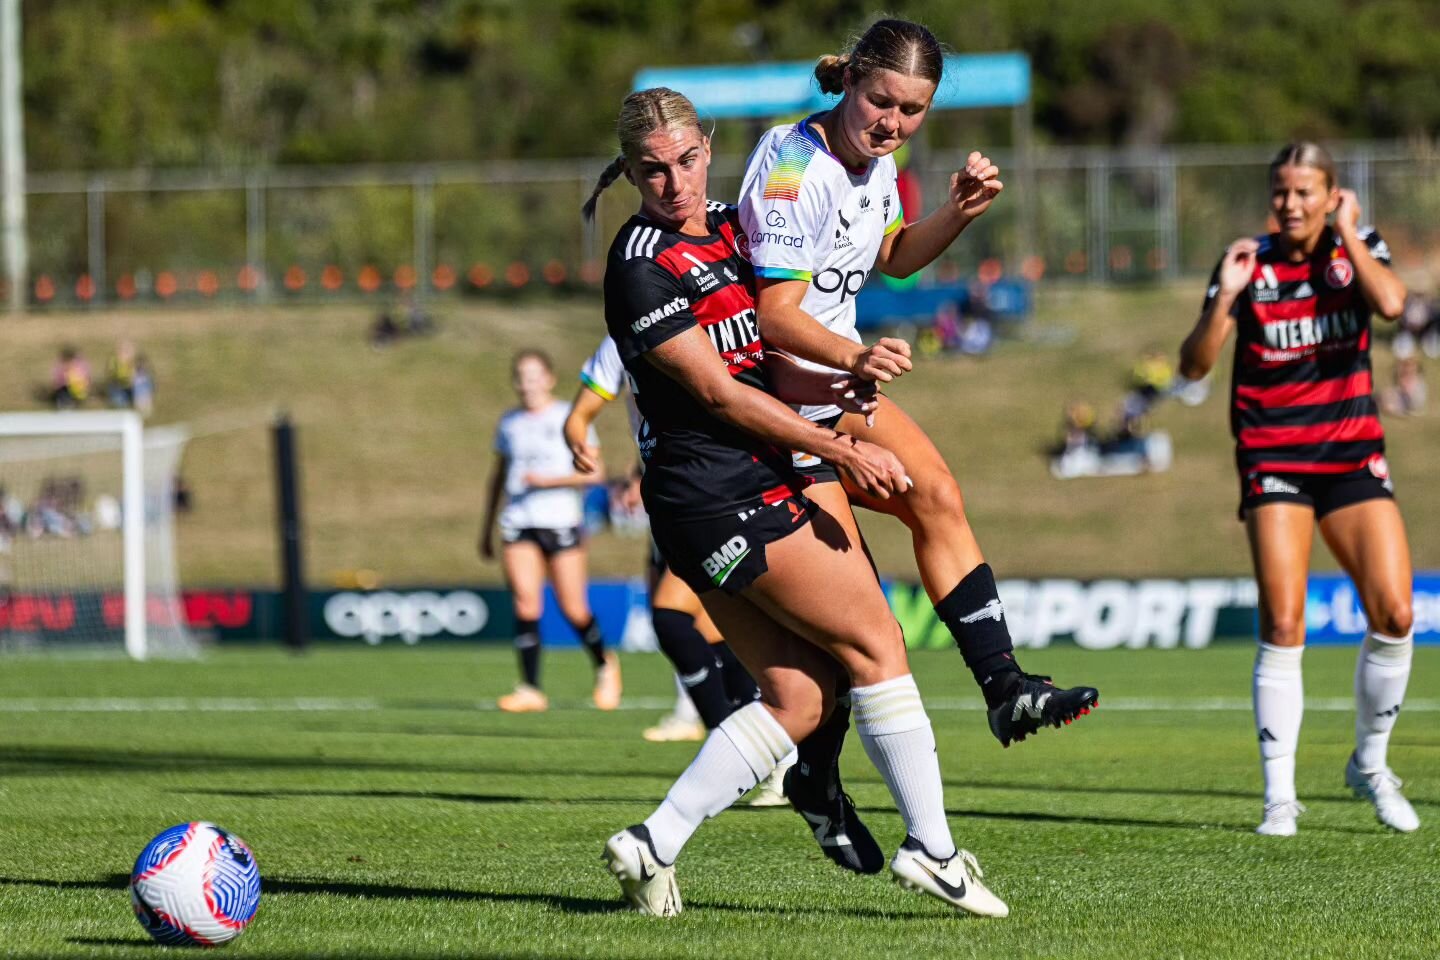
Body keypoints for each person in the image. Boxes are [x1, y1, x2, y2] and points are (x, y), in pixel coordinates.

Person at [585, 86, 1008, 919]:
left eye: (686, 161)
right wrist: (841, 447)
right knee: (878, 643)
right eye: (652, 171)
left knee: (801, 698)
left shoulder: (737, 229)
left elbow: (786, 331)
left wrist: (848, 368)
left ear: (708, 147)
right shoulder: (639, 266)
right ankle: (934, 849)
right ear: (630, 173)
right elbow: (722, 395)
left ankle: (653, 842)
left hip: (728, 488)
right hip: (717, 489)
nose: (673, 183)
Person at [737, 17, 1099, 845]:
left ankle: (1005, 689)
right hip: (782, 408)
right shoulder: (796, 166)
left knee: (936, 492)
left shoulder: (879, 160)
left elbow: (892, 257)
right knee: (854, 630)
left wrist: (958, 215)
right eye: (881, 102)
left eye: (913, 111)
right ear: (851, 81)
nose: (893, 123)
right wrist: (855, 352)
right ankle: (817, 779)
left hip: (835, 385)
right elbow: (774, 315)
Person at [1178, 142, 1418, 836]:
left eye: (1305, 191)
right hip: (1272, 456)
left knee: (1396, 615)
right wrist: (1224, 295)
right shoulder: (1246, 262)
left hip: (1351, 456)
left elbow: (1395, 304)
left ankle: (1369, 765)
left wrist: (1347, 231)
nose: (1289, 203)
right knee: (1285, 623)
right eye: (1281, 191)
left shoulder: (1358, 246)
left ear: (1331, 195)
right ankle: (1279, 797)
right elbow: (1194, 367)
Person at [564, 337, 770, 748]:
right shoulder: (618, 340)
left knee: (672, 618)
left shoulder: (702, 324)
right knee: (715, 627)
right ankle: (761, 745)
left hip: (715, 490)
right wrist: (577, 437)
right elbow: (583, 412)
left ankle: (738, 745)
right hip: (670, 497)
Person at [480, 349, 622, 713]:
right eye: (521, 377)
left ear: (549, 378)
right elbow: (498, 477)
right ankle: (530, 687)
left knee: (574, 608)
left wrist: (549, 482)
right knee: (526, 603)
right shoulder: (509, 422)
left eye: (534, 376)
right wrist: (486, 527)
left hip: (560, 520)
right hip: (518, 521)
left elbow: (596, 473)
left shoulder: (568, 416)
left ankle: (605, 665)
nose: (527, 384)